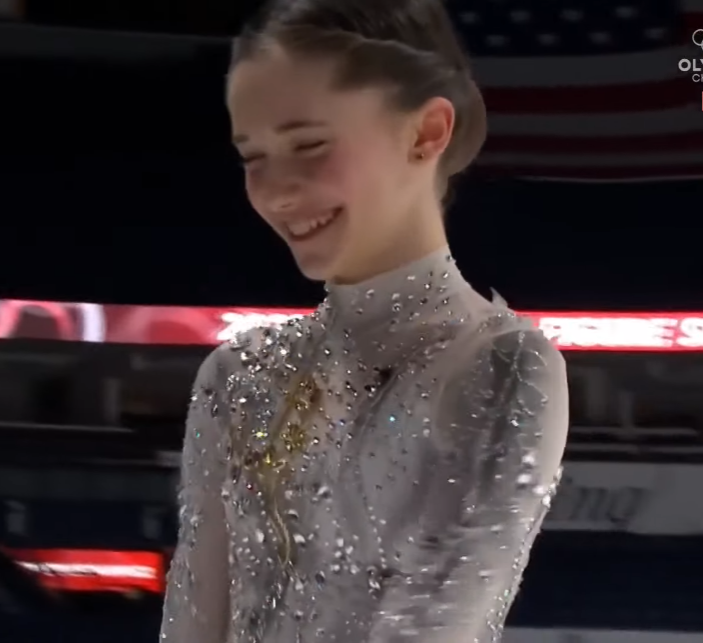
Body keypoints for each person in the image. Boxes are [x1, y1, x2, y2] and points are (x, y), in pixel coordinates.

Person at [159, 0, 570, 642]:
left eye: (309, 145)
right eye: (253, 157)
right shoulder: (236, 373)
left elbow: (435, 625)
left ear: (426, 132)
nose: (276, 191)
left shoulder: (498, 365)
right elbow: (193, 621)